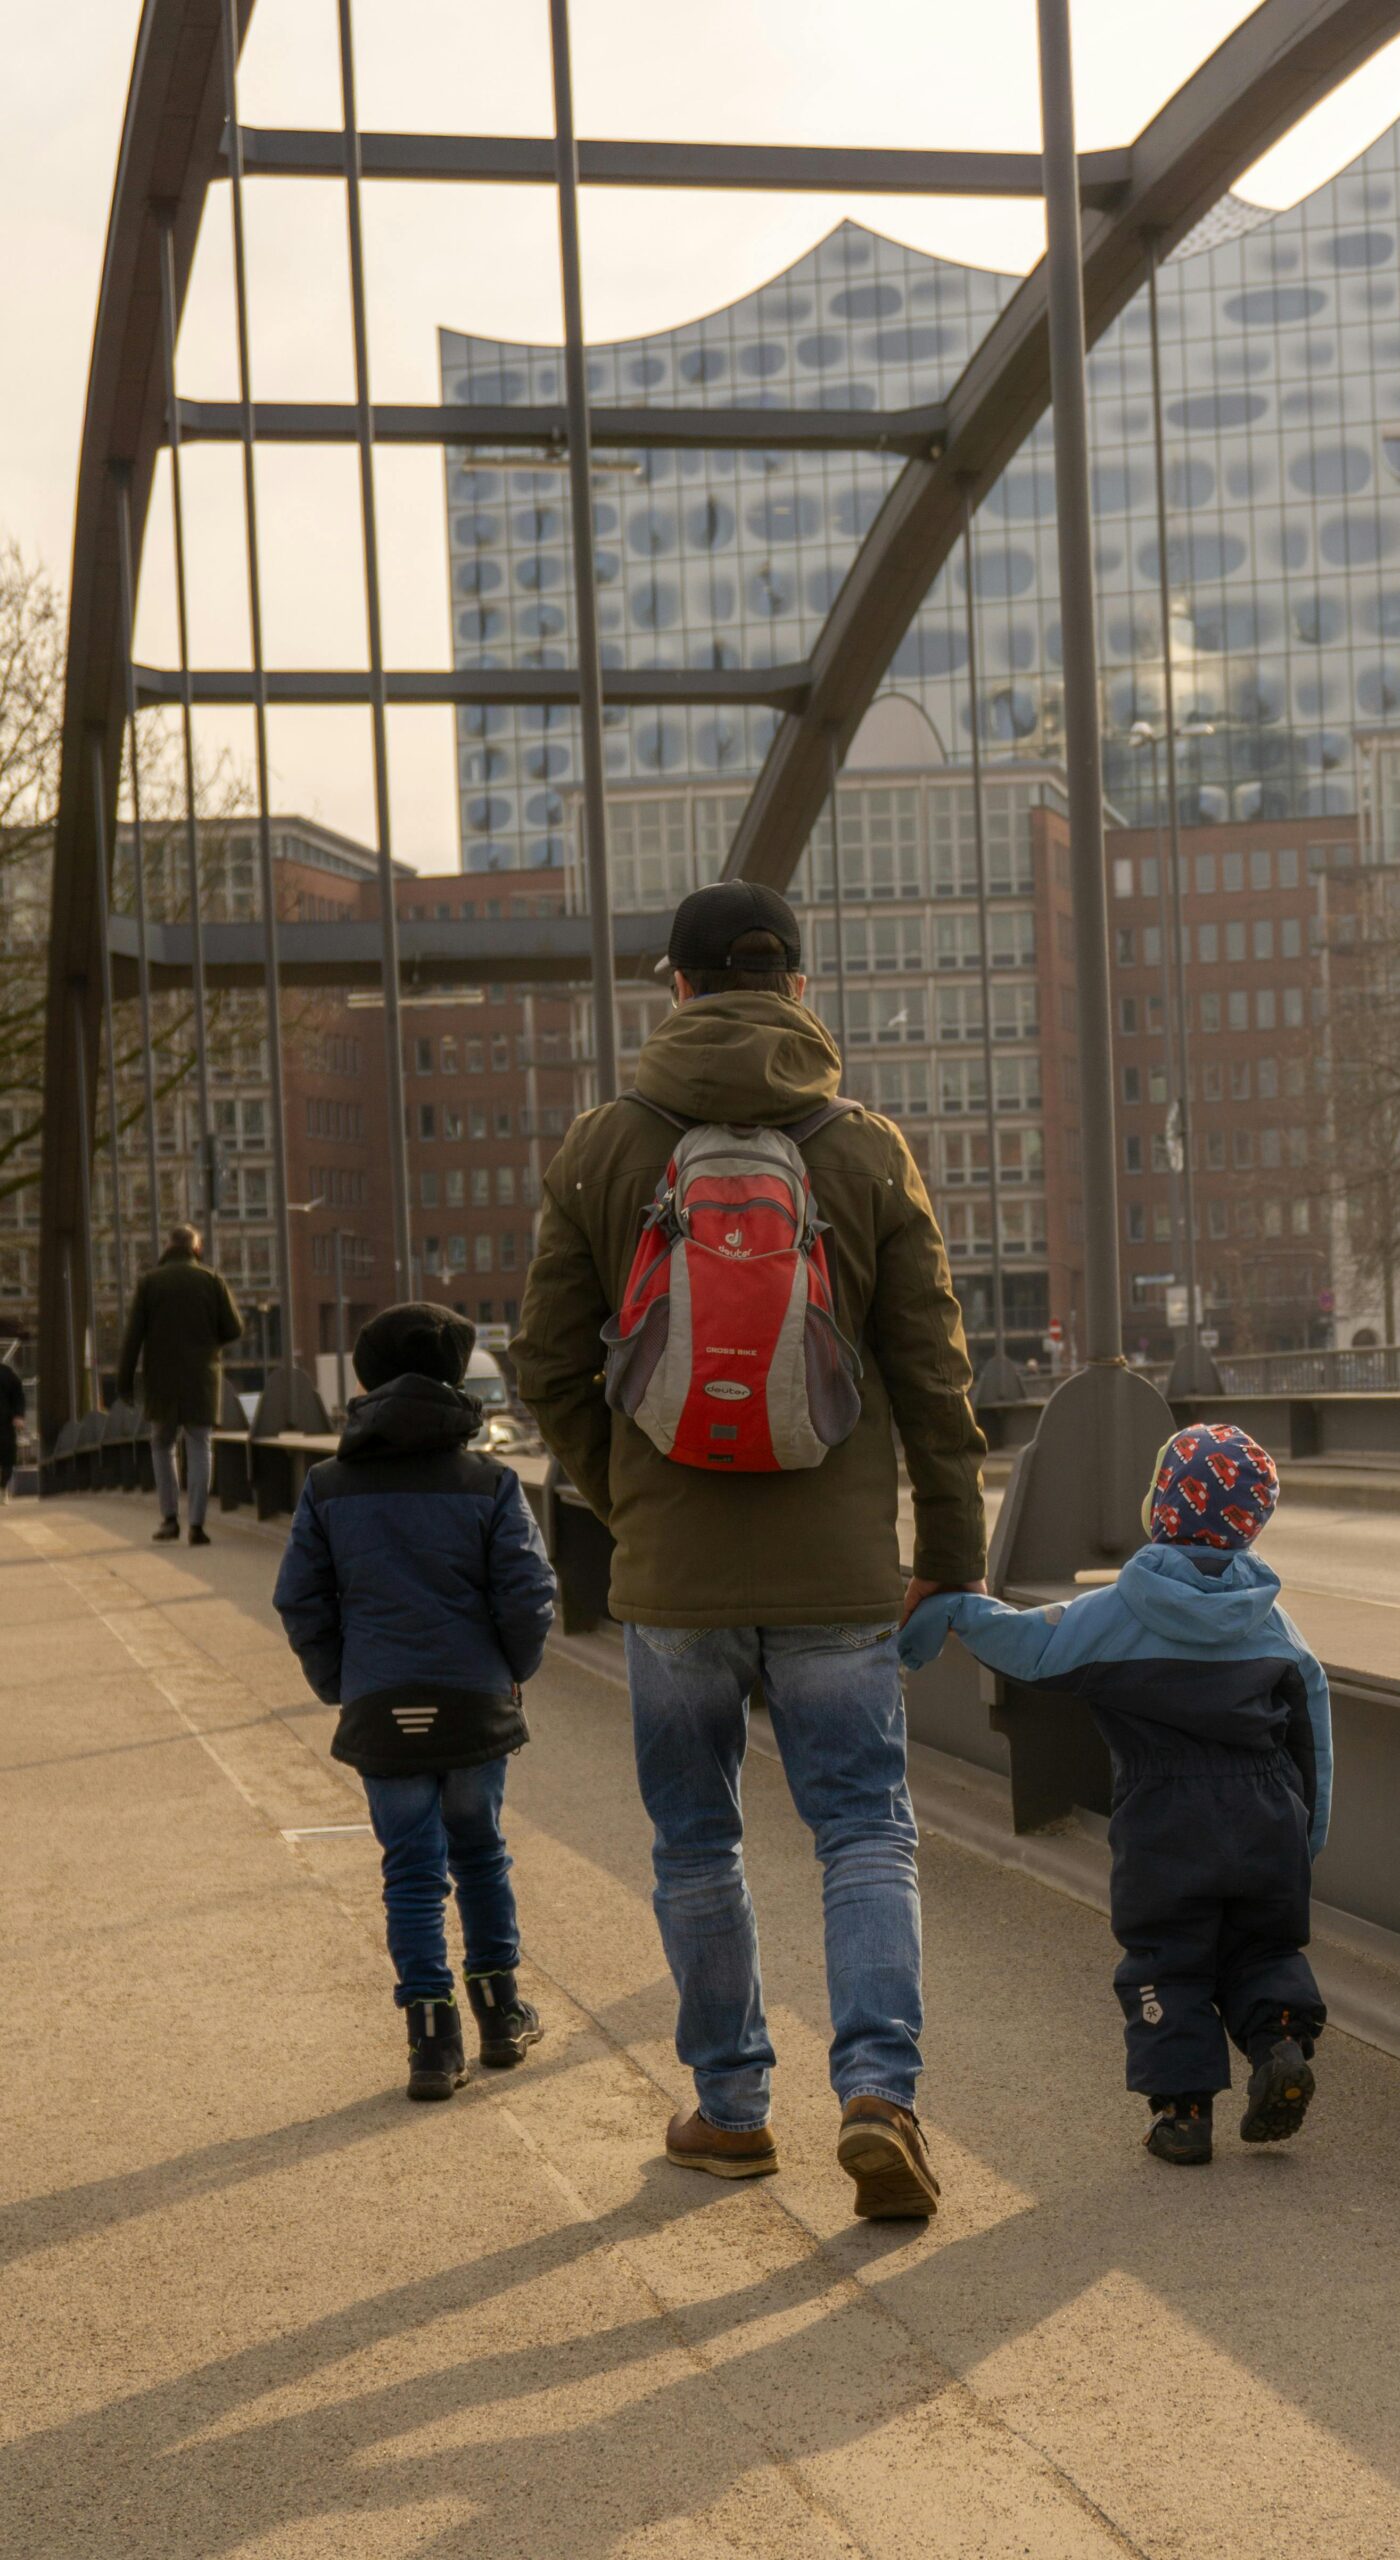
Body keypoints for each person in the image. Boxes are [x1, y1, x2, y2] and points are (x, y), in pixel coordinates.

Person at [512, 880, 987, 2219]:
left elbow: (549, 1363)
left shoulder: (606, 1148)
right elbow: (936, 1377)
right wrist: (948, 1544)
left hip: (675, 1581)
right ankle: (881, 2094)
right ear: (797, 987)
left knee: (696, 1843)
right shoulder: (866, 1151)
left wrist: (628, 1503)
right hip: (840, 1578)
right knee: (863, 1833)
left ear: (675, 986)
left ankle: (730, 2110)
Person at [900, 1423, 1331, 2169]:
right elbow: (1312, 1728)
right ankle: (1280, 2044)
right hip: (1267, 1817)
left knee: (1168, 1957)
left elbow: (1027, 1646)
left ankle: (1183, 2114)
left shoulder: (1121, 1609)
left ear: (1159, 1505)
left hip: (1164, 1817)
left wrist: (951, 1611)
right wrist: (1309, 1833)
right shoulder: (1273, 1620)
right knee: (1263, 1945)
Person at [273, 1303, 556, 2102]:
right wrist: (510, 1672)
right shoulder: (490, 1483)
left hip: (380, 1700)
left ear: (366, 1381)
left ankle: (431, 2040)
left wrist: (343, 1681)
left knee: (410, 1869)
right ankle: (501, 2015)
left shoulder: (327, 1487)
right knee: (480, 1852)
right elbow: (531, 1595)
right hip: (473, 1703)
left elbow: (300, 1598)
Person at [114, 1224, 242, 1546]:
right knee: (200, 1445)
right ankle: (197, 1525)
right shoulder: (212, 1280)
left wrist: (124, 1383)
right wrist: (209, 1342)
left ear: (168, 1248)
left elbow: (132, 1338)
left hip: (162, 1380)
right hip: (202, 1378)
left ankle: (169, 1519)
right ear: (196, 1249)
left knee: (162, 1445)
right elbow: (234, 1328)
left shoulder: (149, 1283)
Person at [0, 1346, 25, 1502]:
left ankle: (3, 1488)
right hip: (5, 1422)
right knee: (7, 1456)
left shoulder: (6, 1374)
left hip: (4, 1423)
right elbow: (18, 1396)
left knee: (7, 1457)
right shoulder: (7, 1373)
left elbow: (18, 1395)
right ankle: (3, 1488)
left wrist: (18, 1415)